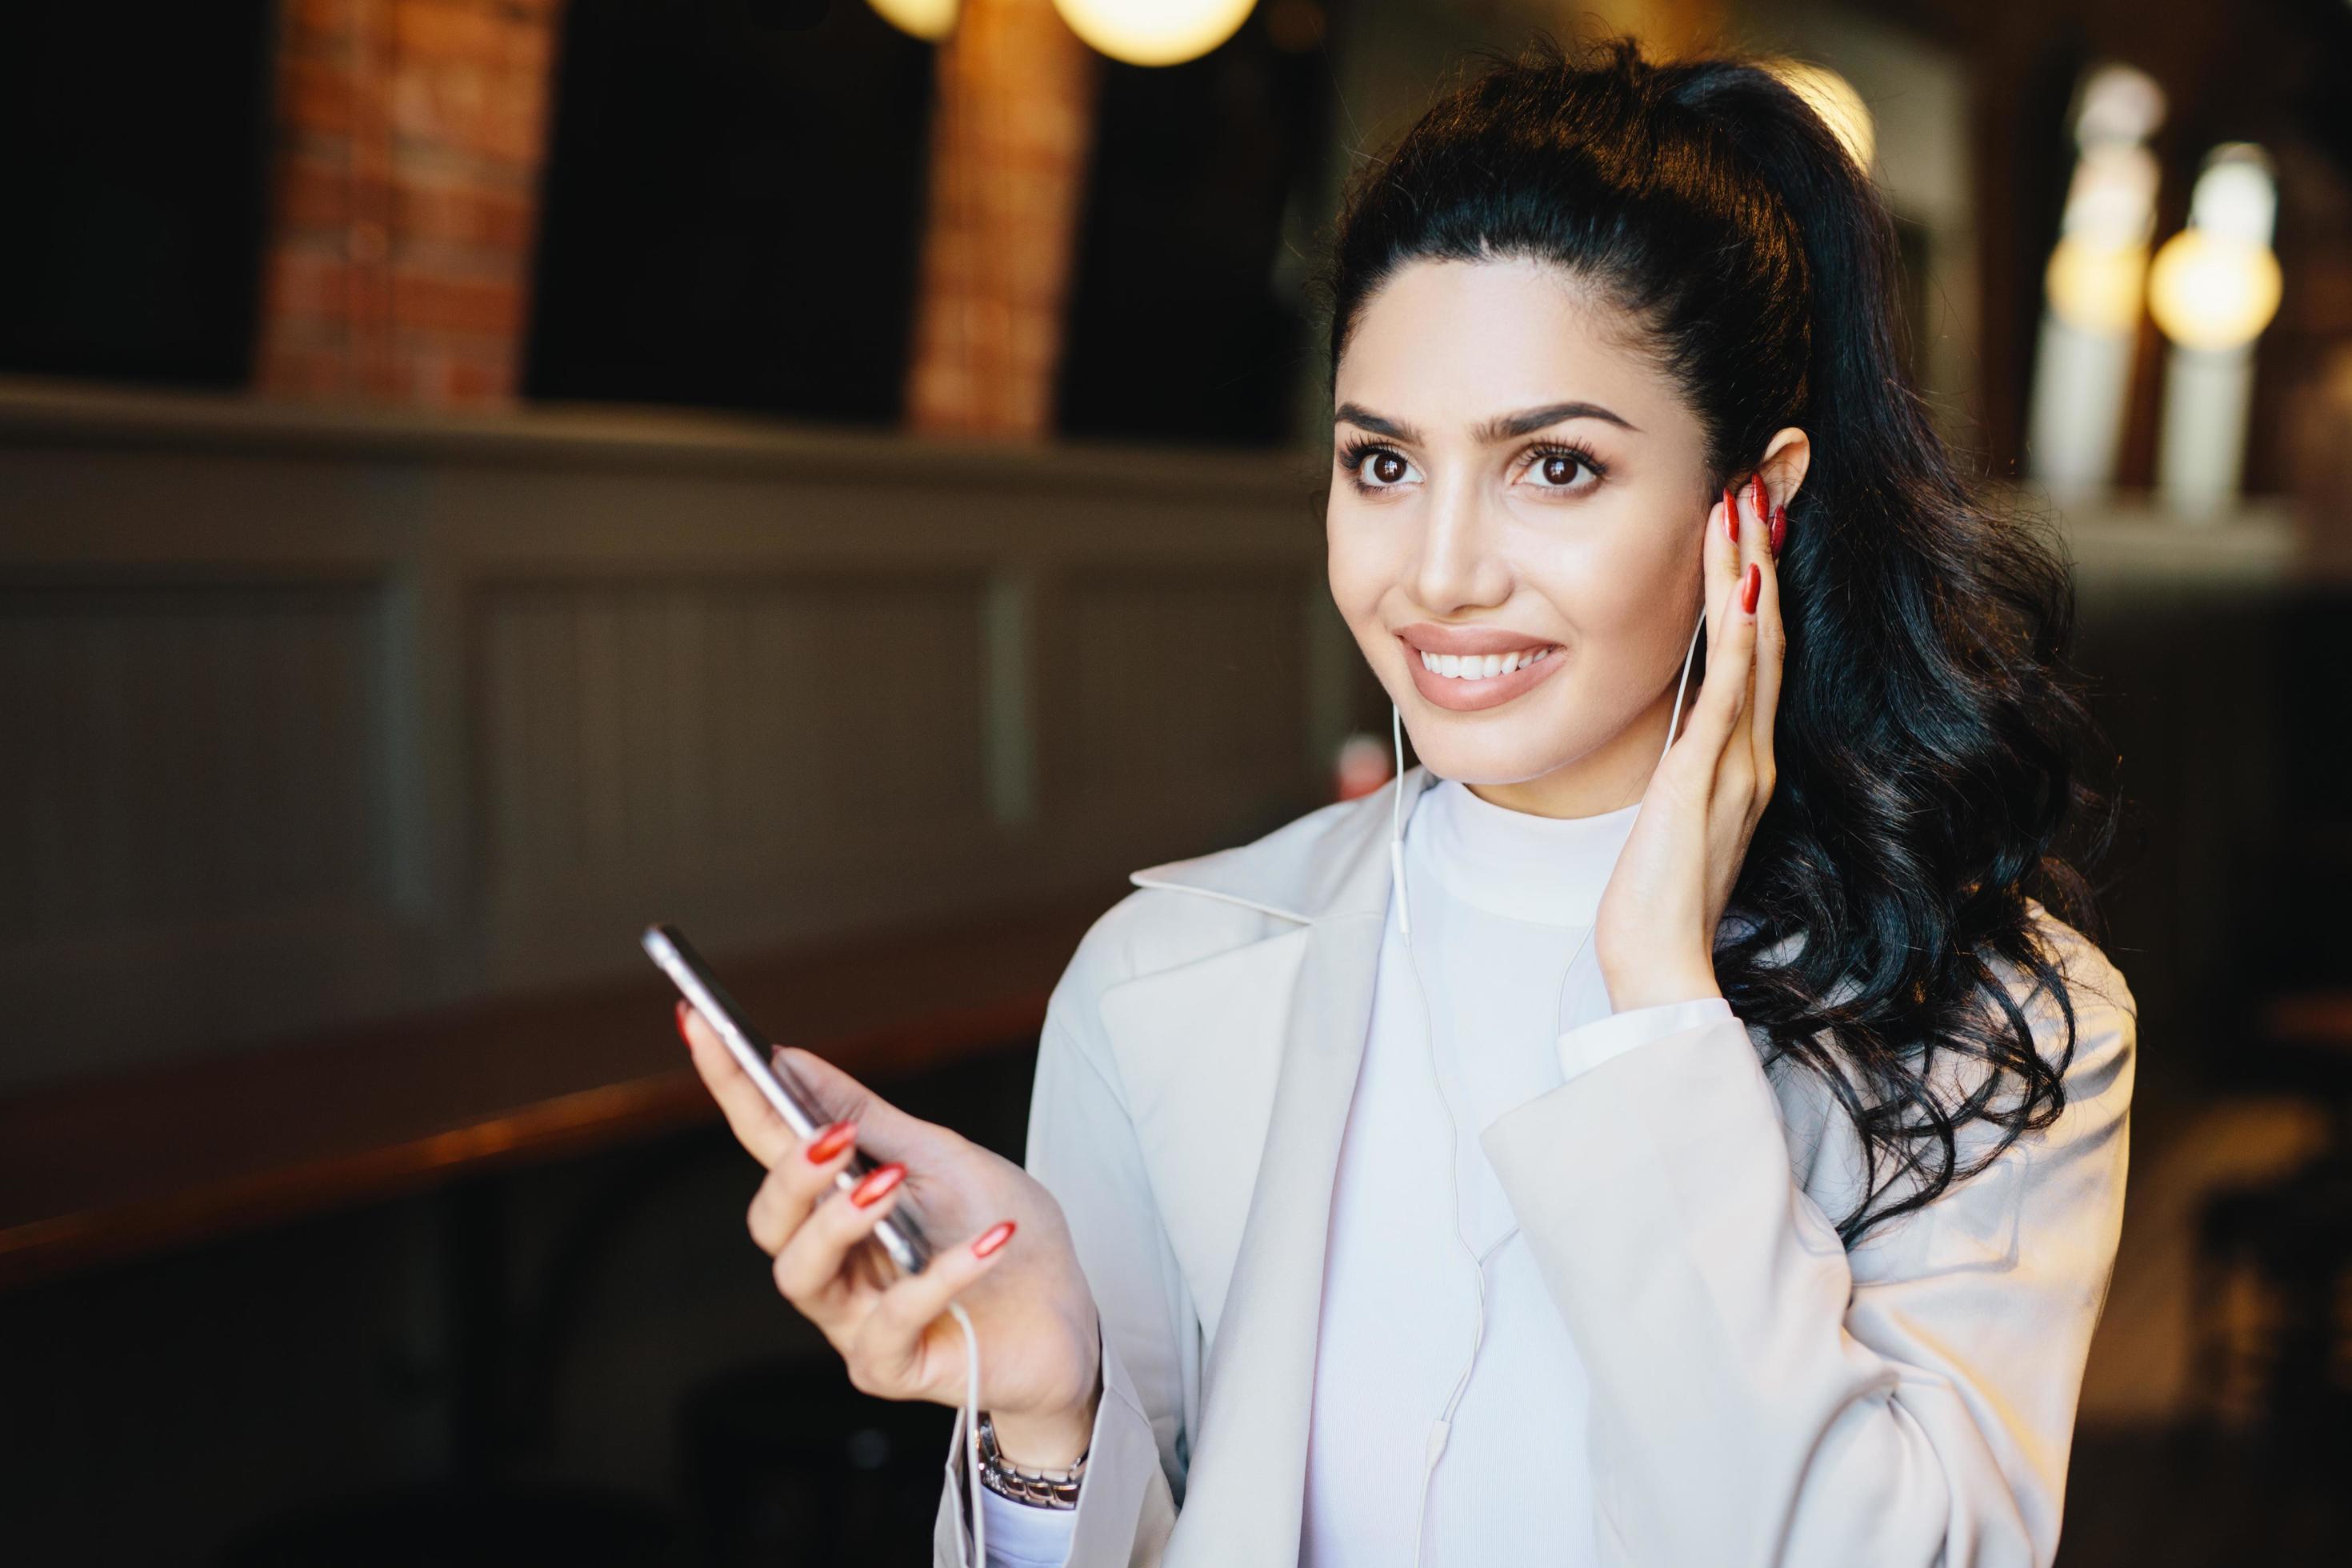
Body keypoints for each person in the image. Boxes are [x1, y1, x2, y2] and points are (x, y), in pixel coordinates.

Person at [677, 34, 2138, 1568]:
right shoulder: (1161, 979)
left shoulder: (1996, 1027)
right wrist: (1050, 1411)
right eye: (1382, 464)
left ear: (1753, 503)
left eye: (1553, 467)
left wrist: (1658, 1008)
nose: (1437, 574)